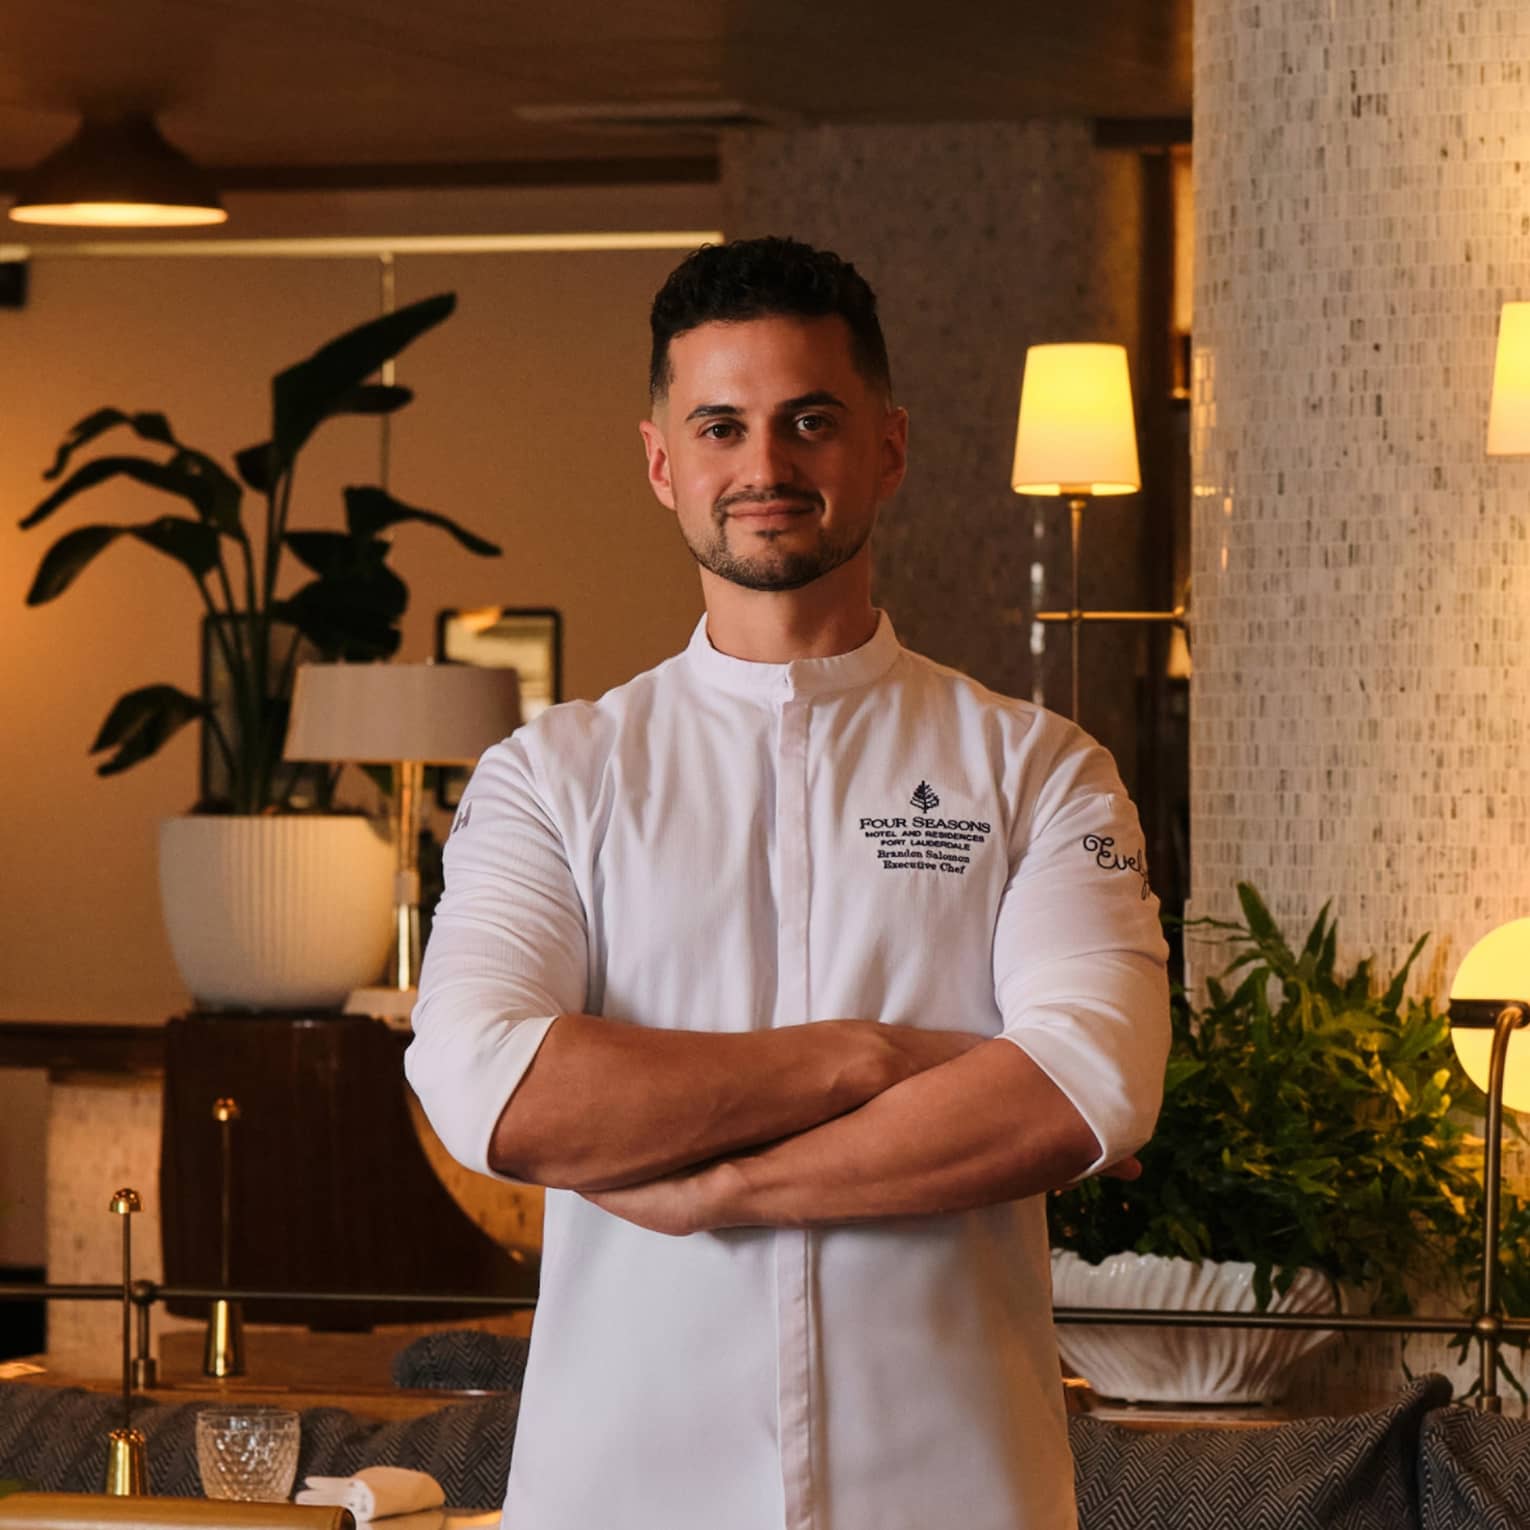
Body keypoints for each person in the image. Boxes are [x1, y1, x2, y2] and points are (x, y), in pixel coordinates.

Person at [405, 236, 1170, 1530]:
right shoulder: (551, 775)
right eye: (721, 426)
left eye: (808, 422)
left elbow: (1086, 1084)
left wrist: (726, 1189)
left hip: (953, 1489)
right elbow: (497, 1089)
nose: (763, 467)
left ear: (886, 444)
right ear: (661, 461)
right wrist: (865, 1056)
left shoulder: (1038, 768)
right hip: (625, 1492)